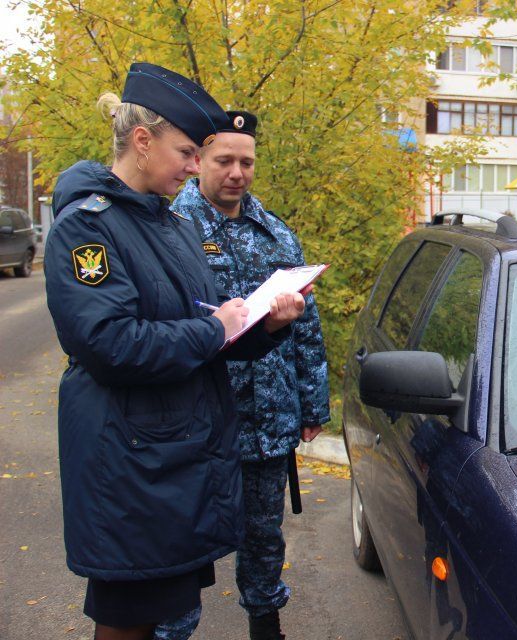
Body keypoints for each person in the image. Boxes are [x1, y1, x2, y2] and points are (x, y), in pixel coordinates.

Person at [44, 63, 309, 640]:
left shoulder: (168, 223)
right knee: (128, 620)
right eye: (188, 151)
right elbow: (108, 343)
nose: (195, 167)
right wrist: (214, 330)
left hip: (173, 458)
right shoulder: (87, 229)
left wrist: (261, 327)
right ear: (142, 141)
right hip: (128, 463)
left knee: (155, 609)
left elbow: (198, 328)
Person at [158, 110, 329, 640]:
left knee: (263, 536)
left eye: (246, 162)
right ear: (198, 160)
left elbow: (307, 330)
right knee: (181, 541)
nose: (236, 172)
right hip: (197, 423)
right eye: (224, 160)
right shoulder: (168, 230)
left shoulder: (276, 232)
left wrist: (312, 405)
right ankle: (171, 630)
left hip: (269, 421)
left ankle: (266, 625)